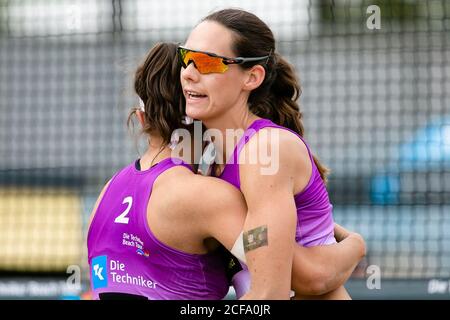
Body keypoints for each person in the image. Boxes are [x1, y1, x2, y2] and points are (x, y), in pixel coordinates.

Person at [87, 42, 365, 300]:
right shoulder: (208, 198)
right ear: (201, 110)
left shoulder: (107, 194)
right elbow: (305, 274)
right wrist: (356, 244)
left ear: (140, 118)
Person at [180, 8, 356, 299]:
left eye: (206, 62)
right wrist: (354, 245)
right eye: (185, 58)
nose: (188, 73)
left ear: (252, 78)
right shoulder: (209, 161)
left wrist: (354, 246)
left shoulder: (266, 149)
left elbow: (272, 295)